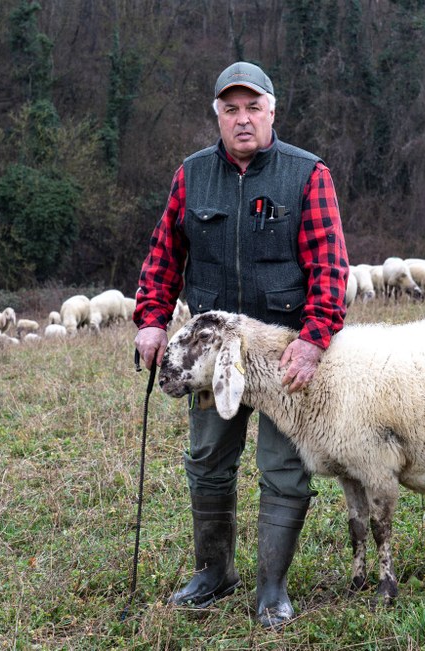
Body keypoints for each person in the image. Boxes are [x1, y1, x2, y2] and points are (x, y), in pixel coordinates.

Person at [132, 61, 349, 628]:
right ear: (218, 116)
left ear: (272, 111)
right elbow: (162, 258)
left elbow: (330, 267)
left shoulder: (307, 175)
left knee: (283, 467)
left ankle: (271, 588)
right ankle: (214, 572)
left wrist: (314, 340)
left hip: (281, 354)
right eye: (231, 109)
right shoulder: (192, 175)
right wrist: (152, 320)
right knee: (206, 460)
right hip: (212, 355)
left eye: (253, 107)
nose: (242, 119)